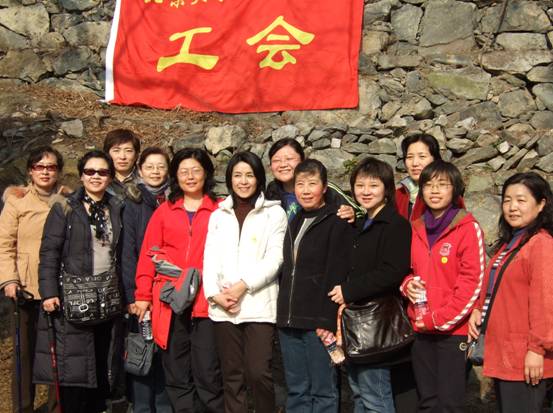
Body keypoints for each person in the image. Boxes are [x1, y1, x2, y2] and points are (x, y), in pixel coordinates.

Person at [134, 148, 224, 413]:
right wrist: (142, 295)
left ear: (206, 173)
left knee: (208, 370)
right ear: (175, 176)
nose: (190, 177)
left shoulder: (220, 210)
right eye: (184, 172)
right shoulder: (165, 211)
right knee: (176, 370)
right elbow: (148, 254)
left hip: (207, 301)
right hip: (170, 300)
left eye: (196, 170)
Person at [33, 150, 123, 413]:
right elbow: (49, 252)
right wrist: (49, 292)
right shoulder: (65, 208)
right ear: (81, 176)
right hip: (73, 297)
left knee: (101, 363)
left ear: (110, 177)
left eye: (102, 172)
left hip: (107, 297)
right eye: (90, 171)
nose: (96, 177)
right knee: (73, 368)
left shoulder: (116, 207)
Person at [203, 151, 287, 413]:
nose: (243, 181)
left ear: (259, 178)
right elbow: (209, 258)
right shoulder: (219, 215)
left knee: (258, 371)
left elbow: (275, 258)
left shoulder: (274, 213)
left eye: (249, 175)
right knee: (232, 375)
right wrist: (214, 294)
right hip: (223, 306)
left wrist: (242, 286)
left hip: (259, 305)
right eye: (237, 175)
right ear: (229, 179)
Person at [400, 160, 485, 412]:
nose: (434, 191)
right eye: (428, 185)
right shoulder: (415, 228)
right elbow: (407, 271)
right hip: (421, 327)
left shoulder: (467, 228)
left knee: (449, 403)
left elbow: (472, 281)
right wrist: (407, 285)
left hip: (452, 331)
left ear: (455, 189)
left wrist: (438, 319)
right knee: (427, 402)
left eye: (443, 185)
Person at [328, 157, 411, 413]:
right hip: (356, 322)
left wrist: (348, 290)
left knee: (375, 397)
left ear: (387, 189)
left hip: (375, 322)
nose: (365, 191)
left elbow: (393, 271)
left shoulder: (395, 225)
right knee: (359, 395)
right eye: (360, 185)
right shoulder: (363, 223)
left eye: (373, 185)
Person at [468, 172, 553, 413]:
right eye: (507, 200)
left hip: (525, 355)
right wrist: (478, 309)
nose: (512, 207)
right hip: (507, 351)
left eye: (521, 200)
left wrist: (537, 349)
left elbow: (546, 301)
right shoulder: (512, 243)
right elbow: (496, 287)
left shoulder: (541, 244)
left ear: (541, 204)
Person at [276, 159, 354, 413]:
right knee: (297, 390)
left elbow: (337, 273)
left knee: (323, 390)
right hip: (290, 320)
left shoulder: (337, 220)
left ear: (324, 187)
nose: (306, 190)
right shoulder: (294, 219)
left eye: (312, 184)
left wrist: (327, 320)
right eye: (300, 184)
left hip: (318, 322)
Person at [0, 146, 66, 413]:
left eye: (51, 167)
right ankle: (23, 406)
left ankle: (56, 405)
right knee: (24, 352)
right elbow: (4, 245)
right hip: (25, 286)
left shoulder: (67, 200)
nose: (45, 172)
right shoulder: (17, 201)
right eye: (39, 167)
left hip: (59, 285)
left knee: (56, 352)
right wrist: (9, 280)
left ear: (58, 171)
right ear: (30, 171)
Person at [121, 147, 172, 412]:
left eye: (161, 166)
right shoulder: (133, 201)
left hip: (168, 290)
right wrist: (134, 294)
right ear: (140, 170)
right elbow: (128, 251)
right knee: (141, 349)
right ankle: (141, 407)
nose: (155, 172)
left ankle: (164, 407)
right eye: (149, 166)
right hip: (141, 289)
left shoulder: (174, 200)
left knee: (165, 352)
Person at [266, 137, 361, 222]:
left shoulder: (325, 188)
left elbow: (360, 213)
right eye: (276, 160)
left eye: (289, 159)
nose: (283, 164)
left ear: (302, 161)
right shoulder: (272, 190)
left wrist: (352, 214)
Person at [396, 134, 442, 221]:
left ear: (435, 159)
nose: (415, 163)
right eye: (409, 157)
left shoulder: (446, 193)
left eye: (422, 156)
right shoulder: (399, 195)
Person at [103, 128, 141, 200]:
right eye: (116, 150)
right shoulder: (99, 180)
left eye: (128, 151)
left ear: (136, 155)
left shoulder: (146, 180)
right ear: (107, 154)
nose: (122, 157)